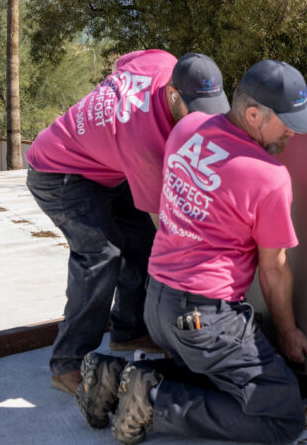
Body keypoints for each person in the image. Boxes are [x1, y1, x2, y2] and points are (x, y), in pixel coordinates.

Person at [75, 60, 307, 445]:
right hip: (205, 317)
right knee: (281, 414)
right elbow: (273, 270)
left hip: (157, 303)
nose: (292, 131)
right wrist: (288, 333)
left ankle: (117, 374)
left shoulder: (188, 128)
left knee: (217, 372)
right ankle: (156, 402)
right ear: (253, 114)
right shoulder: (270, 176)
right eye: (287, 121)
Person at [26, 50, 229, 395]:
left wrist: (106, 110)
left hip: (107, 167)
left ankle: (128, 329)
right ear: (172, 94)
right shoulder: (146, 141)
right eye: (194, 112)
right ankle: (68, 363)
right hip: (58, 171)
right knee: (101, 257)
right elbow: (165, 226)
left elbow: (123, 60)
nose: (200, 121)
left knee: (141, 244)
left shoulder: (163, 62)